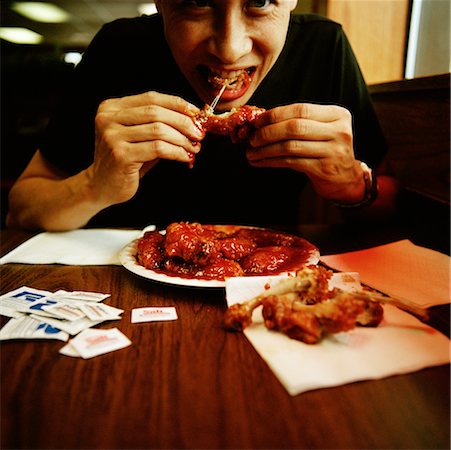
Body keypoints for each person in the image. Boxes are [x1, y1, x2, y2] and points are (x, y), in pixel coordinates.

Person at [7, 0, 398, 231]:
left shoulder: (324, 47)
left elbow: (391, 207)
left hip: (270, 291)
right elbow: (20, 208)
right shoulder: (117, 47)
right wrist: (95, 186)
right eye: (196, 0)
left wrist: (350, 184)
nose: (230, 50)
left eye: (260, 1)